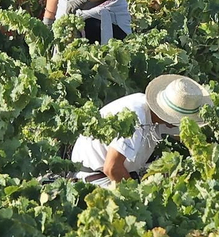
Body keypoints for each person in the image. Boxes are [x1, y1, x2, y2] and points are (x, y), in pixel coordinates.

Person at [67, 75, 211, 186]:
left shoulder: (156, 113)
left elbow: (187, 139)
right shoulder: (135, 118)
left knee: (172, 174)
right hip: (96, 178)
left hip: (121, 170)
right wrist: (137, 198)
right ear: (168, 115)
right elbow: (112, 168)